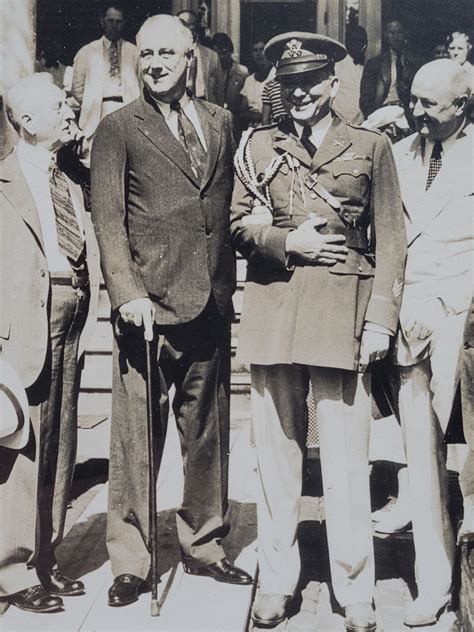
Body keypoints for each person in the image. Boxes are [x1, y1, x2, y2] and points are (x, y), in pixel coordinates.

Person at [231, 32, 406, 631]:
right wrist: (287, 241)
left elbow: (390, 240)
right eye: (290, 84)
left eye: (312, 81)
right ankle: (277, 578)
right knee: (276, 460)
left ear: (334, 84)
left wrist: (381, 316)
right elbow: (238, 224)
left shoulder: (370, 145)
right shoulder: (257, 147)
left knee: (345, 460)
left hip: (342, 313)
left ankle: (354, 588)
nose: (300, 93)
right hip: (274, 307)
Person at [90, 14, 252, 609]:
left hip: (209, 300)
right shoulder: (117, 128)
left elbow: (225, 205)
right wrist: (127, 293)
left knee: (207, 434)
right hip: (147, 308)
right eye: (147, 54)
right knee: (137, 440)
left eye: (167, 53)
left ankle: (205, 543)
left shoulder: (221, 121)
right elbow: (108, 219)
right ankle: (131, 560)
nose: (155, 62)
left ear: (192, 58)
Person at [0, 73, 100, 613]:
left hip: (75, 313)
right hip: (21, 325)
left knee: (60, 443)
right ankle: (12, 570)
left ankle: (46, 556)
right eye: (58, 105)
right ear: (27, 122)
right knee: (22, 446)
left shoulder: (71, 178)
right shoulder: (2, 182)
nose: (70, 109)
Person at [392, 59, 472, 627]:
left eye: (429, 103)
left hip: (465, 326)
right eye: (413, 99)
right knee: (421, 459)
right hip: (409, 324)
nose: (415, 111)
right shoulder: (397, 155)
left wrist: (454, 311)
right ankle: (433, 581)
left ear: (462, 104)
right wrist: (403, 311)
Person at [72, 2, 140, 148]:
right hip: (97, 112)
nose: (114, 25)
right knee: (98, 155)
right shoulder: (87, 52)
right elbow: (77, 89)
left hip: (127, 108)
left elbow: (141, 84)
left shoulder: (134, 52)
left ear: (124, 23)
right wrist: (92, 102)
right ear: (102, 22)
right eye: (110, 21)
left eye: (118, 21)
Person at [360, 20, 420, 118]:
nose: (396, 37)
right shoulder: (375, 64)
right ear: (385, 35)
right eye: (392, 33)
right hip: (383, 114)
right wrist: (374, 118)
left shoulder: (413, 63)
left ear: (404, 34)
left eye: (399, 32)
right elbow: (366, 99)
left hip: (408, 115)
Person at [177, 9, 221, 104]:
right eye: (181, 26)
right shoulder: (170, 54)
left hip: (204, 104)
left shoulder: (211, 56)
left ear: (196, 29)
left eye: (190, 26)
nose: (185, 30)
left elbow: (219, 91)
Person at [332, 25, 368, 125]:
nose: (361, 45)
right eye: (356, 40)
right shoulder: (336, 66)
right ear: (348, 42)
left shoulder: (365, 67)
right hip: (341, 124)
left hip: (362, 124)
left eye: (363, 41)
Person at [211, 32, 248, 122]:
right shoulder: (211, 73)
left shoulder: (242, 71)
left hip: (235, 120)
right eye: (217, 54)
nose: (221, 57)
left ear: (230, 51)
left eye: (224, 53)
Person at [240, 38, 275, 128]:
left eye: (261, 49)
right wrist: (257, 116)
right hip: (253, 128)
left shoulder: (276, 75)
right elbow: (242, 111)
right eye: (255, 50)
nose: (258, 54)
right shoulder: (249, 81)